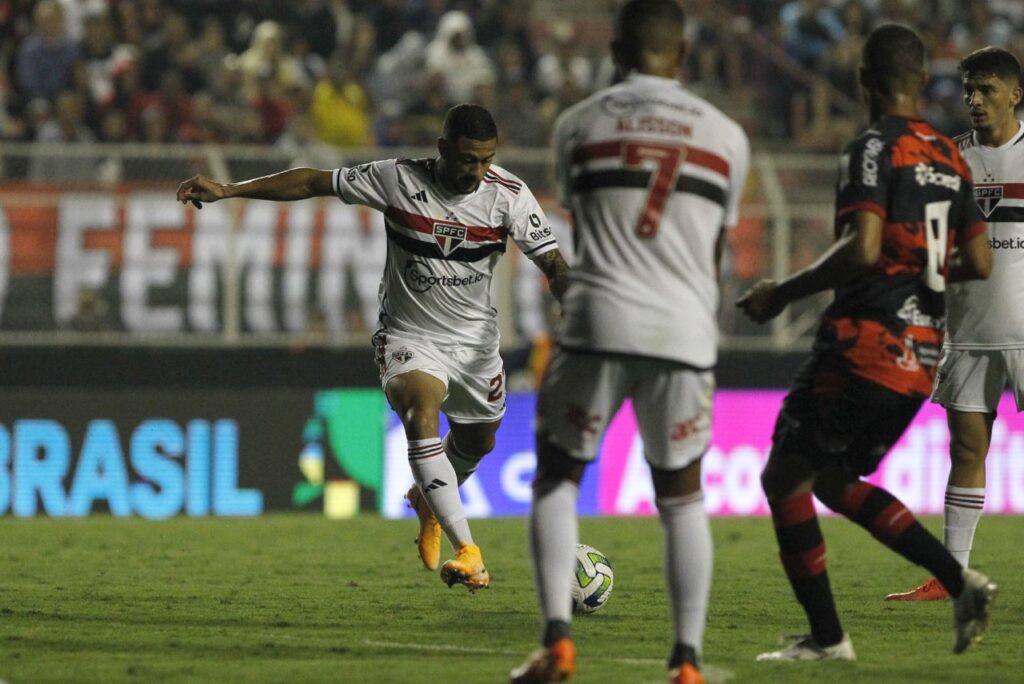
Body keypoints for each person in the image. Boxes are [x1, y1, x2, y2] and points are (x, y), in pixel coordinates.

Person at [177, 104, 570, 591]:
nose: (477, 171)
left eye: (486, 160)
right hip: (409, 336)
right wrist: (231, 190)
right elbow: (311, 182)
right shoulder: (396, 179)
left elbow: (553, 262)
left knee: (479, 441)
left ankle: (428, 501)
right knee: (419, 412)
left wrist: (574, 301)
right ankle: (468, 551)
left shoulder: (508, 196)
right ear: (443, 148)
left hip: (475, 346)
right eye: (468, 159)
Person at [736, 24, 997, 661]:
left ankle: (829, 640)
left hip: (865, 340)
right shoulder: (949, 154)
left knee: (783, 478)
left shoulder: (874, 146)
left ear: (865, 81)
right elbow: (980, 261)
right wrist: (920, 275)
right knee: (827, 478)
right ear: (919, 80)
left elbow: (865, 248)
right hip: (922, 352)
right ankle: (961, 582)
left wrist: (782, 292)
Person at [510, 2, 750, 682]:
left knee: (558, 478)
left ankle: (557, 641)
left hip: (597, 319)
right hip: (683, 327)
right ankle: (687, 662)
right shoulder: (726, 134)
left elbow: (585, 217)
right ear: (683, 52)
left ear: (615, 49)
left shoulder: (577, 123)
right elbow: (711, 248)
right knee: (682, 497)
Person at [886, 47, 1024, 602]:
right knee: (966, 451)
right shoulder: (948, 159)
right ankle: (953, 576)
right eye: (969, 90)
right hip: (968, 331)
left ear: (1015, 94)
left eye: (986, 89)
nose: (974, 100)